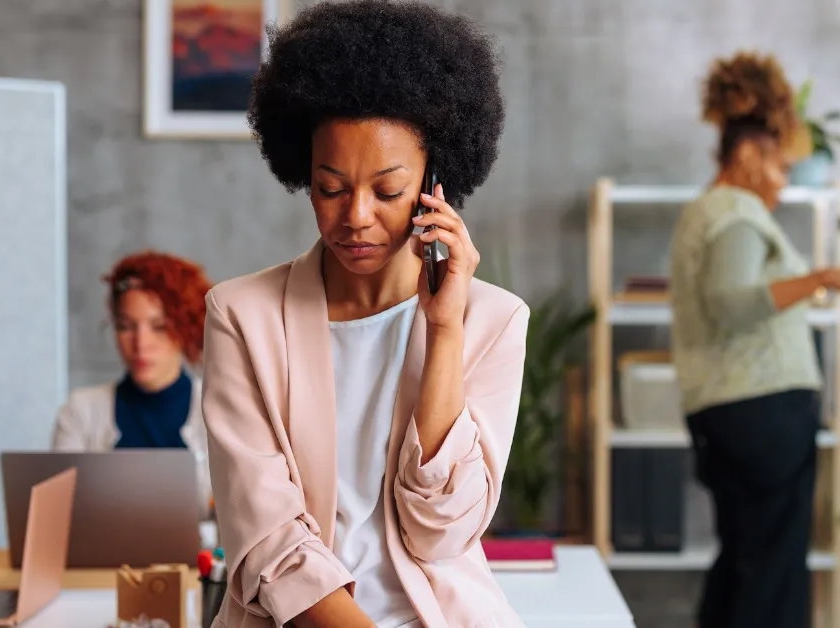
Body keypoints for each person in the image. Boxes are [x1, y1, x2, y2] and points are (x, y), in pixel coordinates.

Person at [201, 2, 526, 627]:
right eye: (330, 188)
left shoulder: (493, 320)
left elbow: (442, 532)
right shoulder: (242, 316)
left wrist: (445, 329)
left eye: (387, 190)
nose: (354, 216)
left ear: (436, 181)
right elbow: (270, 543)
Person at [669, 52, 840, 628]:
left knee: (748, 562)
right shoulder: (735, 210)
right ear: (748, 155)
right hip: (760, 411)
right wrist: (824, 277)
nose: (782, 185)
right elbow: (732, 303)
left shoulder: (712, 210)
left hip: (736, 411)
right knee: (771, 570)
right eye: (779, 168)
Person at [51, 250, 214, 511]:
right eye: (126, 326)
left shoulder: (218, 410)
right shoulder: (81, 411)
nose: (140, 344)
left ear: (186, 329)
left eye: (159, 327)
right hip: (102, 552)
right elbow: (57, 512)